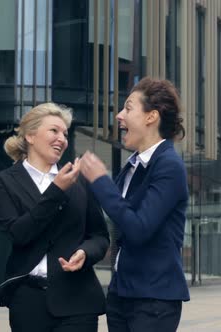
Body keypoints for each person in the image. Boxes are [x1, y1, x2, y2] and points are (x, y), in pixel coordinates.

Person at [79, 77, 189, 332]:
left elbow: (139, 227)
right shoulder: (134, 164)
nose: (119, 116)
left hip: (153, 300)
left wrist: (100, 180)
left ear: (151, 116)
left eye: (128, 108)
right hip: (122, 294)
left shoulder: (169, 165)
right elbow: (117, 212)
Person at [0, 103, 109, 332]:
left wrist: (85, 252)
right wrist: (56, 191)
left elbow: (100, 236)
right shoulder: (3, 182)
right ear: (31, 136)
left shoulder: (80, 180)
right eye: (54, 131)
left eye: (65, 133)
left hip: (78, 300)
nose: (62, 139)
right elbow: (19, 234)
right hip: (29, 303)